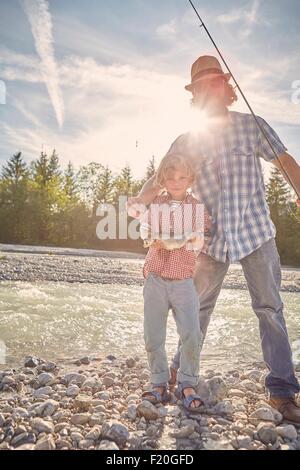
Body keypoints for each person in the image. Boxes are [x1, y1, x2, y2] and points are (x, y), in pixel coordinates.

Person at [127, 55, 300, 424]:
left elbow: (284, 160)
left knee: (270, 309)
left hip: (255, 232)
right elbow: (159, 180)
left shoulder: (253, 125)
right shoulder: (187, 140)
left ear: (227, 87)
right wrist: (141, 200)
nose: (208, 90)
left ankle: (282, 391)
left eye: (214, 83)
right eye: (200, 86)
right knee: (197, 309)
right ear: (195, 95)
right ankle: (178, 375)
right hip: (206, 238)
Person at [131, 153, 209, 412]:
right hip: (155, 278)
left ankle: (187, 383)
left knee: (191, 334)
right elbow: (144, 229)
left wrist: (184, 240)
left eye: (182, 177)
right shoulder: (156, 204)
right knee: (153, 335)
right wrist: (138, 212)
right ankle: (158, 383)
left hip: (184, 281)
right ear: (163, 178)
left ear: (191, 180)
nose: (176, 181)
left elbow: (197, 242)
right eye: (171, 176)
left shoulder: (197, 208)